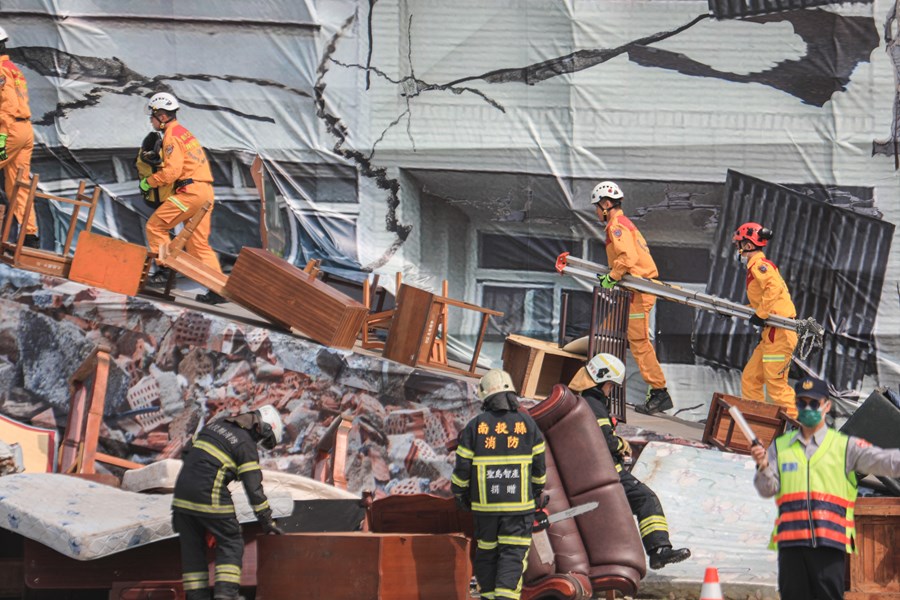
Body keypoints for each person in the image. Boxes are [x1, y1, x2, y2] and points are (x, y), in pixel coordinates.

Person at [751, 376, 900, 600]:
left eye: (815, 403)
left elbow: (886, 461)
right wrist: (763, 468)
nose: (808, 409)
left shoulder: (845, 446)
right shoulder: (781, 447)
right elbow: (767, 488)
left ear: (826, 406)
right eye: (802, 403)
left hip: (828, 545)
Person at [569, 352, 691, 570]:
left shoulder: (581, 398)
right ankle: (659, 551)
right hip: (606, 472)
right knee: (646, 498)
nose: (610, 390)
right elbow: (604, 440)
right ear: (603, 381)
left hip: (590, 471)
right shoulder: (593, 403)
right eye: (611, 385)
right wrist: (621, 444)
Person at [172, 405, 285, 600]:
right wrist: (267, 521)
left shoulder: (215, 425)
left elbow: (186, 452)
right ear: (264, 428)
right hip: (209, 493)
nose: (259, 443)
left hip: (181, 496)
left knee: (193, 547)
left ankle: (196, 597)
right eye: (263, 439)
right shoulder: (245, 445)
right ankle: (226, 595)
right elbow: (254, 489)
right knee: (231, 540)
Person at [452, 369, 547, 600]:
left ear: (485, 396)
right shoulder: (527, 423)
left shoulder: (476, 426)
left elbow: (462, 470)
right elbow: (539, 468)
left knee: (487, 553)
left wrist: (461, 495)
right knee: (513, 554)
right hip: (518, 509)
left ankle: (488, 596)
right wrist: (536, 492)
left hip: (486, 510)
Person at [590, 181, 671, 415]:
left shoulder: (617, 226)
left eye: (597, 206)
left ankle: (659, 391)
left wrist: (612, 277)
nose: (596, 212)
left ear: (606, 204)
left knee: (638, 342)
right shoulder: (622, 224)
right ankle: (599, 381)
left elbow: (627, 257)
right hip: (633, 291)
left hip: (638, 292)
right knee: (606, 331)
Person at [141, 92, 226, 305]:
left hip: (189, 193)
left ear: (161, 115)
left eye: (152, 116)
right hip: (205, 191)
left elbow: (172, 172)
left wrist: (148, 182)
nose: (151, 121)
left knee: (155, 227)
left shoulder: (171, 136)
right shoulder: (185, 133)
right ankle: (219, 288)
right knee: (199, 245)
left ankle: (163, 269)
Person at [733, 222, 797, 417]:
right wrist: (735, 311)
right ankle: (758, 424)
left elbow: (773, 289)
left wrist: (760, 315)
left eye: (739, 244)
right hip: (771, 333)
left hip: (779, 333)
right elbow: (762, 301)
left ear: (749, 246)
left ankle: (805, 432)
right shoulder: (757, 267)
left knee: (776, 386)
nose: (738, 249)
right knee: (751, 378)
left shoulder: (760, 266)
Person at [0, 27, 38, 248]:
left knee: (17, 185)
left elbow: (7, 108)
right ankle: (30, 236)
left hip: (10, 130)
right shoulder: (13, 69)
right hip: (25, 129)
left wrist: (2, 139)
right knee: (18, 186)